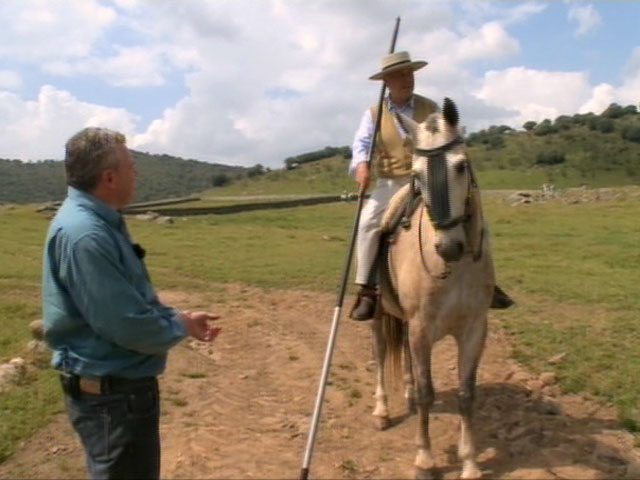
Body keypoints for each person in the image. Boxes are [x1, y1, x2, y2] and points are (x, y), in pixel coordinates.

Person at [42, 127, 221, 479]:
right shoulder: (86, 235)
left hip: (116, 394)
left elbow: (129, 299)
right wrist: (179, 325)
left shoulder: (98, 223)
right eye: (131, 166)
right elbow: (126, 324)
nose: (136, 173)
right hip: (114, 399)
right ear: (109, 178)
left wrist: (179, 318)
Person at [349, 51, 514, 321]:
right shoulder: (373, 114)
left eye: (410, 73)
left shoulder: (431, 108)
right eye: (400, 75)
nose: (407, 79)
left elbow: (445, 140)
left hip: (428, 179)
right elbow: (362, 145)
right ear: (386, 81)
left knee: (475, 217)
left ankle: (486, 282)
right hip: (392, 182)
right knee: (368, 223)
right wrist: (361, 166)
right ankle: (367, 289)